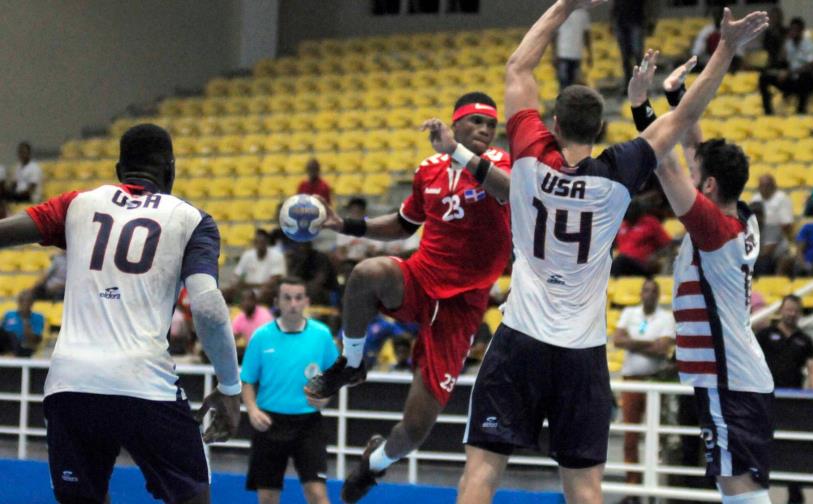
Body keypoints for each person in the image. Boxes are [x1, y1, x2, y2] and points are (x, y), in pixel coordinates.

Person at [457, 3, 769, 503]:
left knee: (482, 472)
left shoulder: (531, 155)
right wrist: (726, 48)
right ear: (600, 130)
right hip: (582, 351)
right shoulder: (617, 174)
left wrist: (565, 6)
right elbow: (686, 115)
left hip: (521, 337)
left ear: (554, 123)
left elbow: (518, 67)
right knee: (585, 487)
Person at [0, 123, 242, 503]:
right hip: (144, 382)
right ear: (171, 170)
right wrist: (230, 388)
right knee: (191, 497)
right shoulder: (192, 220)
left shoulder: (77, 204)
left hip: (70, 382)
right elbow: (208, 307)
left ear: (118, 170)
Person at [304, 91, 513, 503]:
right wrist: (344, 224)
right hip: (421, 277)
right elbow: (402, 224)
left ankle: (373, 464)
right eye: (476, 122)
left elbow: (507, 192)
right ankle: (352, 362)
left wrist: (457, 153)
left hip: (461, 306)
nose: (485, 130)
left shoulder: (501, 164)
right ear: (456, 124)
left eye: (490, 124)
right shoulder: (428, 170)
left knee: (416, 428)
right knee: (366, 273)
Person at [628, 24, 776, 502]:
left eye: (699, 178)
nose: (692, 177)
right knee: (739, 483)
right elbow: (694, 153)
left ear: (708, 188)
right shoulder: (742, 219)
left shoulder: (713, 230)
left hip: (725, 377)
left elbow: (665, 162)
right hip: (735, 374)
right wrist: (677, 97)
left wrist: (640, 105)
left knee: (738, 486)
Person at [240, 277, 337, 504]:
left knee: (317, 494)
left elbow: (335, 377)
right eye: (287, 298)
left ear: (306, 301)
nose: (293, 303)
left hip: (309, 425)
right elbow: (247, 381)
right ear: (277, 302)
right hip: (269, 423)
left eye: (298, 298)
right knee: (268, 497)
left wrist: (326, 398)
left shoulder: (322, 335)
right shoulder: (261, 336)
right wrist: (253, 410)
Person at [612, 278, 674, 501]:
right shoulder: (630, 312)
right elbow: (618, 340)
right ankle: (633, 488)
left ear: (658, 295)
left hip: (656, 381)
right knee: (631, 437)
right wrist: (649, 343)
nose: (648, 294)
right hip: (631, 381)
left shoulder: (666, 317)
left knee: (656, 437)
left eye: (652, 291)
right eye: (645, 290)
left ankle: (654, 487)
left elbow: (663, 348)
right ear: (640, 293)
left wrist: (633, 342)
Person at [755, 295, 813, 504]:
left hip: (793, 404)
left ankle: (795, 494)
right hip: (766, 402)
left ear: (800, 314)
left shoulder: (805, 340)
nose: (791, 313)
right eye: (788, 309)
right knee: (761, 447)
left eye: (795, 310)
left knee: (793, 449)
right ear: (780, 311)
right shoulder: (765, 335)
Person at [758, 17, 813, 115]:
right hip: (792, 79)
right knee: (764, 78)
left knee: (805, 78)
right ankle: (768, 111)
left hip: (807, 80)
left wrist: (789, 72)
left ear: (801, 31)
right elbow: (781, 60)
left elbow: (811, 66)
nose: (793, 32)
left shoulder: (809, 44)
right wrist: (785, 41)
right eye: (791, 29)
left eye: (795, 30)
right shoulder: (788, 43)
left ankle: (801, 111)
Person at [612, 197, 672, 277]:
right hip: (622, 266)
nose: (629, 212)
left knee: (621, 260)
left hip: (642, 264)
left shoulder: (650, 222)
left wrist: (656, 256)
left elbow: (668, 245)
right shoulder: (622, 225)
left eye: (632, 209)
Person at [751, 174, 793, 276]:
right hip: (761, 241)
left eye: (767, 185)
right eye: (762, 186)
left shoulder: (782, 198)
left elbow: (786, 225)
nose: (764, 188)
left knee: (762, 264)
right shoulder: (756, 198)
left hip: (775, 246)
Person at [611, 0, 648, 86]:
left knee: (638, 54)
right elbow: (615, 5)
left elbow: (647, 5)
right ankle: (627, 83)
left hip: (636, 21)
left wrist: (648, 20)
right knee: (625, 56)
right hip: (620, 22)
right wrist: (613, 20)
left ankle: (641, 82)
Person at [553, 7, 592, 89]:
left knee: (574, 86)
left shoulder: (583, 14)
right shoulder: (561, 12)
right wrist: (554, 53)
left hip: (577, 55)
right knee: (563, 84)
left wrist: (589, 54)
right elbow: (555, 34)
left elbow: (587, 35)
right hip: (563, 54)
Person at [1, 290, 45, 357]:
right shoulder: (9, 315)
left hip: (26, 347)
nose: (25, 303)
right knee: (10, 335)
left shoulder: (38, 317)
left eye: (28, 301)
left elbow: (35, 340)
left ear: (32, 303)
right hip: (7, 346)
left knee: (13, 336)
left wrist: (25, 320)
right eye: (22, 300)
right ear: (18, 302)